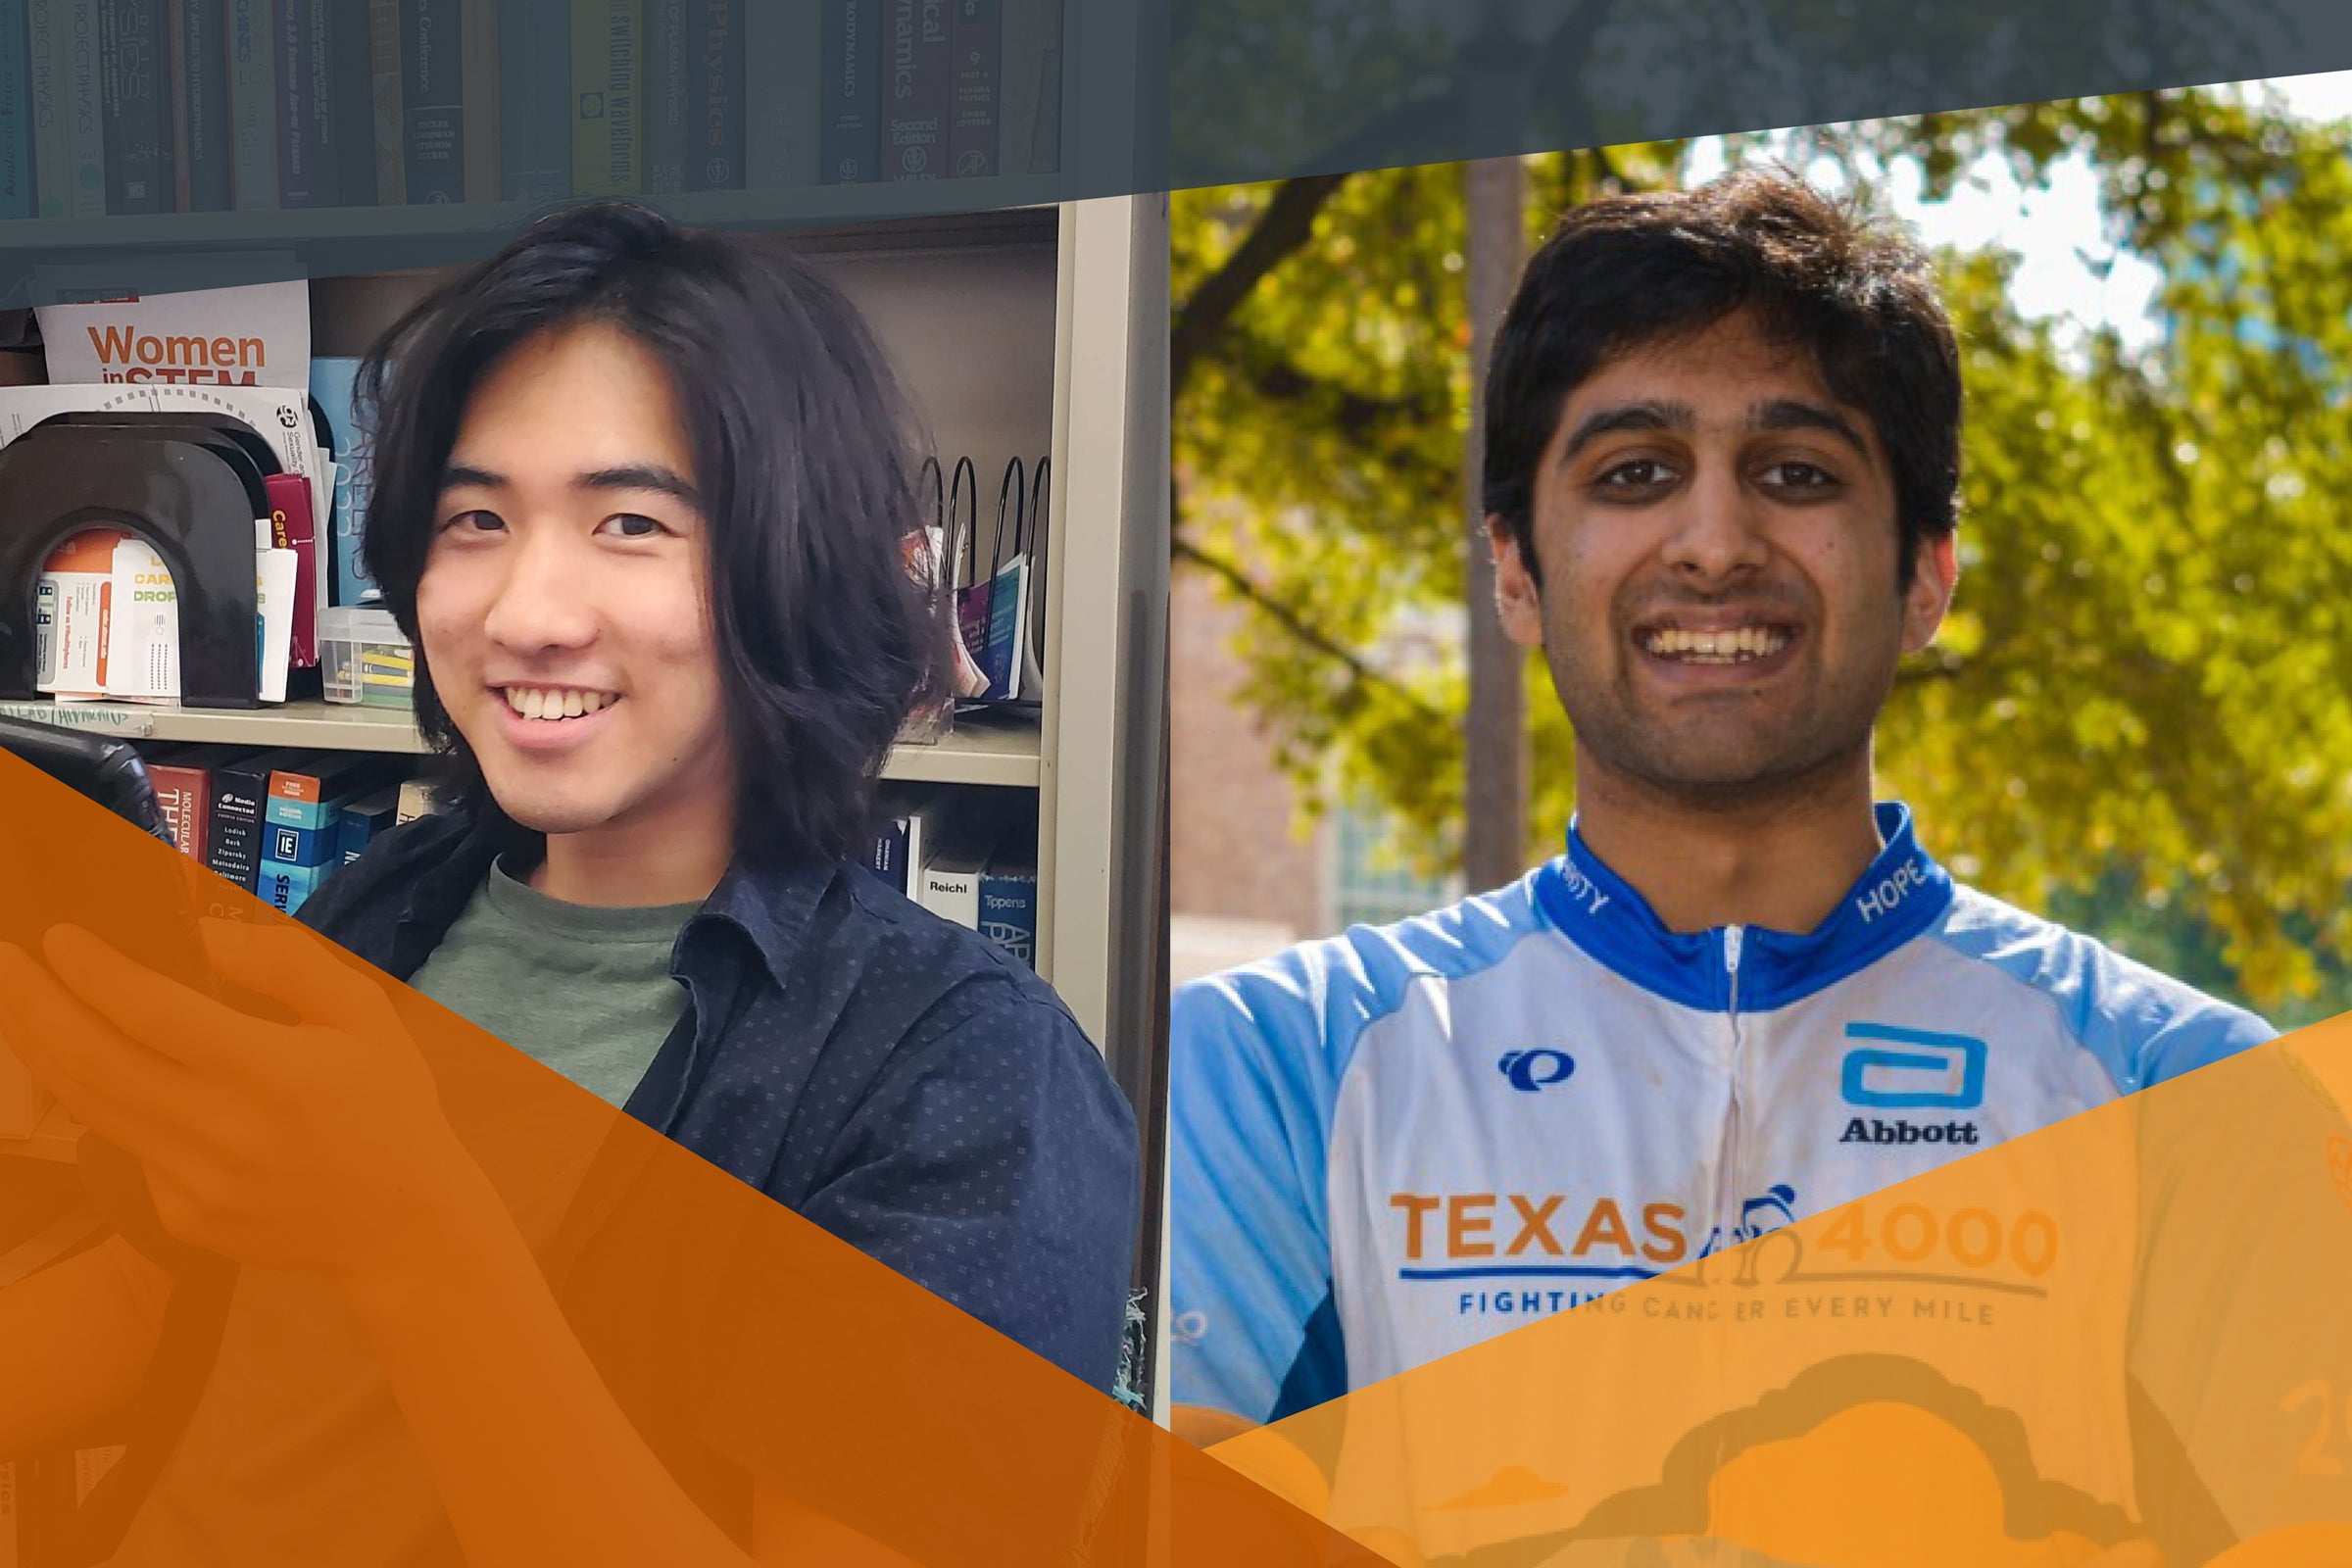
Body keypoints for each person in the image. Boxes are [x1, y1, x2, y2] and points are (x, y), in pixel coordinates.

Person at [1166, 170, 2352, 1563]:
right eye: (1633, 473)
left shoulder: (2189, 1093)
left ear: (1927, 573)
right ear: (1516, 571)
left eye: (1797, 474)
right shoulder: (1270, 1068)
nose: (1716, 543)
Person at [0, 201, 1141, 1565]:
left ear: (798, 564)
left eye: (632, 524)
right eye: (474, 518)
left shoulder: (965, 1078)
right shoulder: (391, 903)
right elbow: (162, 1309)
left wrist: (411, 1235)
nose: (527, 611)